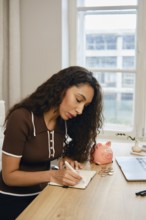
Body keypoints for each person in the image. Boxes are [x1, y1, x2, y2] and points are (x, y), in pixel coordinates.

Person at [0, 66, 103, 219]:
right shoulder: (22, 118)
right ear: (61, 88)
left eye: (85, 106)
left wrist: (67, 158)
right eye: (78, 100)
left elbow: (61, 148)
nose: (80, 110)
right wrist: (53, 176)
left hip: (44, 194)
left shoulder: (63, 121)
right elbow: (9, 176)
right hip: (13, 201)